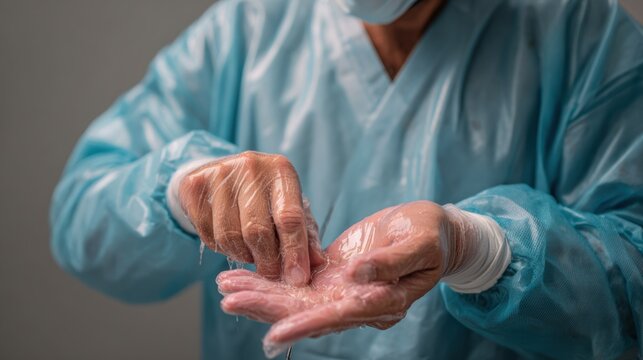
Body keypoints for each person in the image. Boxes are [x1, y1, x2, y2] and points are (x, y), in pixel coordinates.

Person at [50, 0, 643, 358]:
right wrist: (182, 190)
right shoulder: (248, 30)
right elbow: (84, 214)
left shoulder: (579, 35)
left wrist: (481, 250)